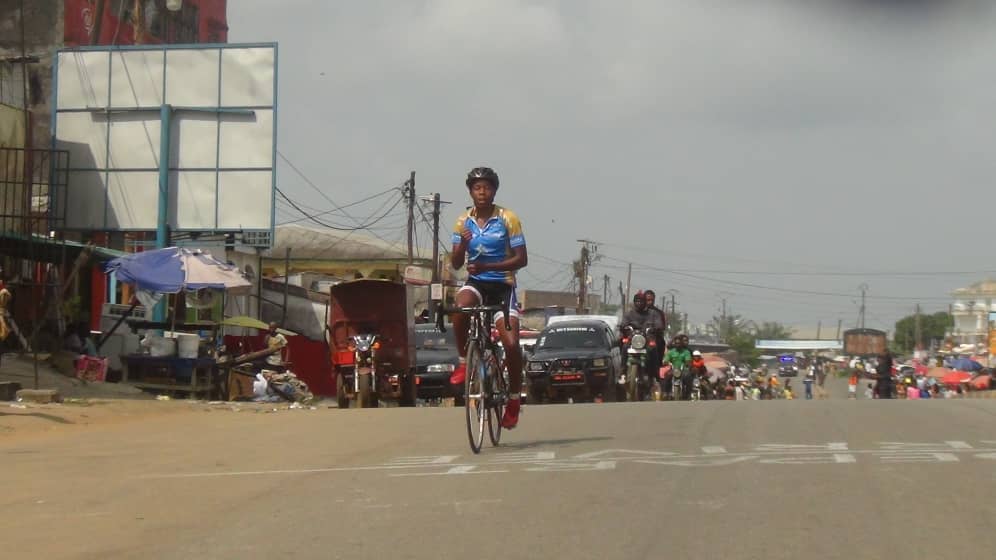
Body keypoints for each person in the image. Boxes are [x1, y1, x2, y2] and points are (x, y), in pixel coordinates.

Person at [448, 167, 528, 430]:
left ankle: (514, 399)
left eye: (487, 187)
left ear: (494, 190)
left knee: (512, 344)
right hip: (476, 283)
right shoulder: (463, 221)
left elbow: (521, 259)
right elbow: (457, 262)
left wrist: (487, 267)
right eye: (477, 188)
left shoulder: (508, 218)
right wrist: (462, 244)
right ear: (470, 191)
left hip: (503, 286)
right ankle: (463, 361)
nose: (482, 192)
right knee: (459, 308)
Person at [662, 334, 693, 400]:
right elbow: (666, 359)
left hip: (683, 370)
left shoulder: (686, 352)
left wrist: (687, 363)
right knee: (667, 374)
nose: (677, 344)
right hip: (673, 370)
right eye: (676, 343)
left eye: (679, 343)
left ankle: (688, 394)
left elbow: (688, 361)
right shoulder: (671, 352)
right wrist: (666, 362)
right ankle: (665, 392)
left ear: (681, 343)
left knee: (688, 376)